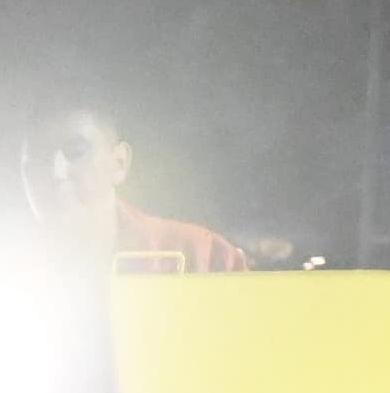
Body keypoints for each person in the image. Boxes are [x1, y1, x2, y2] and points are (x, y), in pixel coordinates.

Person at [21, 101, 254, 275]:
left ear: (120, 162)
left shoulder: (201, 257)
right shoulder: (1, 278)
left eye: (77, 151)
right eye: (38, 156)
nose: (56, 172)